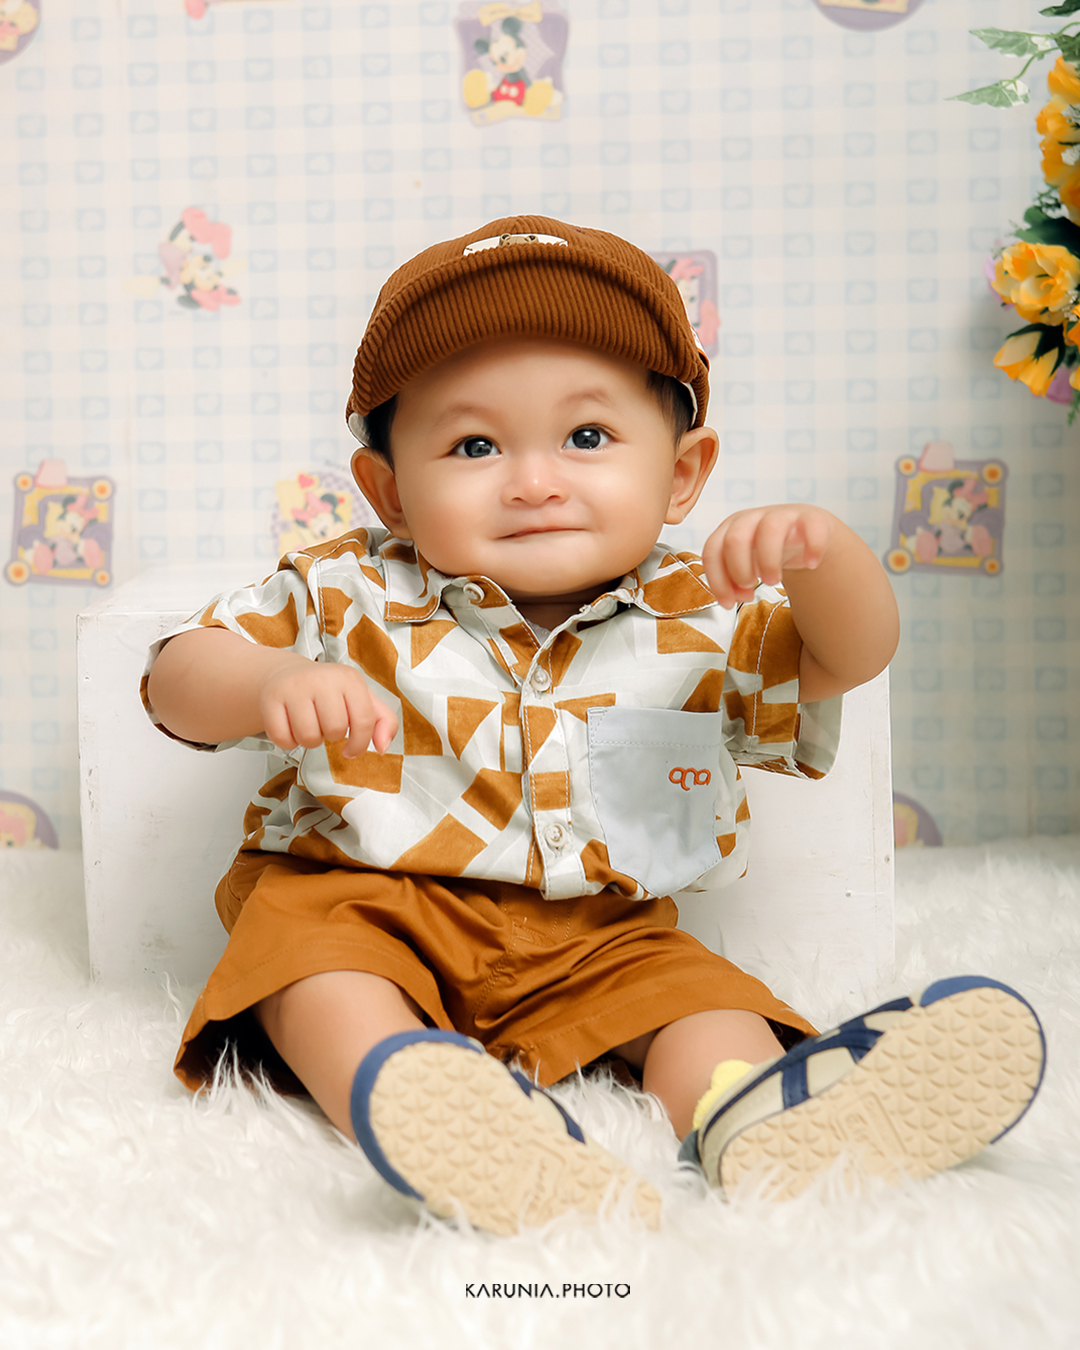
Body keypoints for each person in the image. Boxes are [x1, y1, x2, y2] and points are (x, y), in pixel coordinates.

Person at [144, 216, 1046, 1235]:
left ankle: (759, 1119)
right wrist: (266, 678)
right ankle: (422, 1108)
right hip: (368, 901)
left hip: (599, 936)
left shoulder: (707, 608)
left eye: (587, 437)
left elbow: (850, 656)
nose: (535, 479)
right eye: (475, 444)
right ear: (392, 489)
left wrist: (825, 560)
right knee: (310, 970)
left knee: (697, 1000)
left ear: (682, 474)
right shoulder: (346, 589)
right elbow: (174, 678)